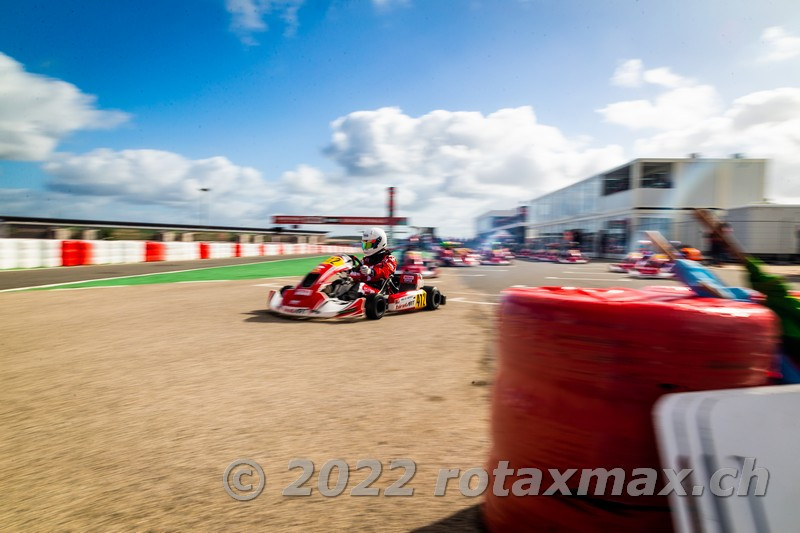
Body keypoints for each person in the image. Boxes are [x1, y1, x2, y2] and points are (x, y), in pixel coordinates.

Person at [350, 227, 397, 294]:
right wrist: (349, 272)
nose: (366, 247)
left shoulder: (389, 259)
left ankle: (346, 301)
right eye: (365, 245)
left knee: (360, 287)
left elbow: (386, 273)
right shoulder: (366, 259)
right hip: (365, 288)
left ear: (379, 243)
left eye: (368, 245)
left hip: (379, 291)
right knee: (342, 284)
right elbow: (358, 273)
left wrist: (371, 271)